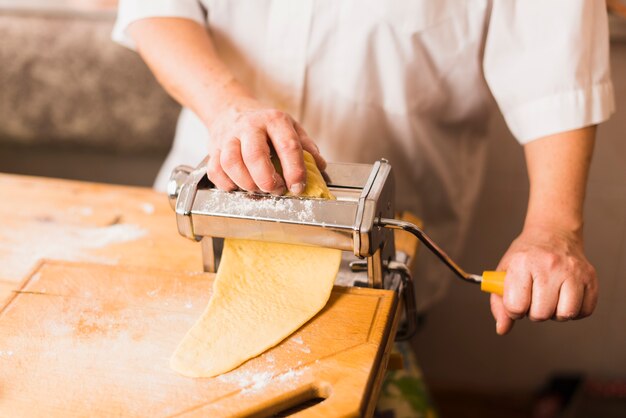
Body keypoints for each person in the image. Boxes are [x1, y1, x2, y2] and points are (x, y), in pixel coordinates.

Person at [113, 1, 613, 337]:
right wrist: (228, 108)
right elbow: (157, 8)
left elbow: (556, 69)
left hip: (380, 257)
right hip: (210, 220)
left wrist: (553, 230)